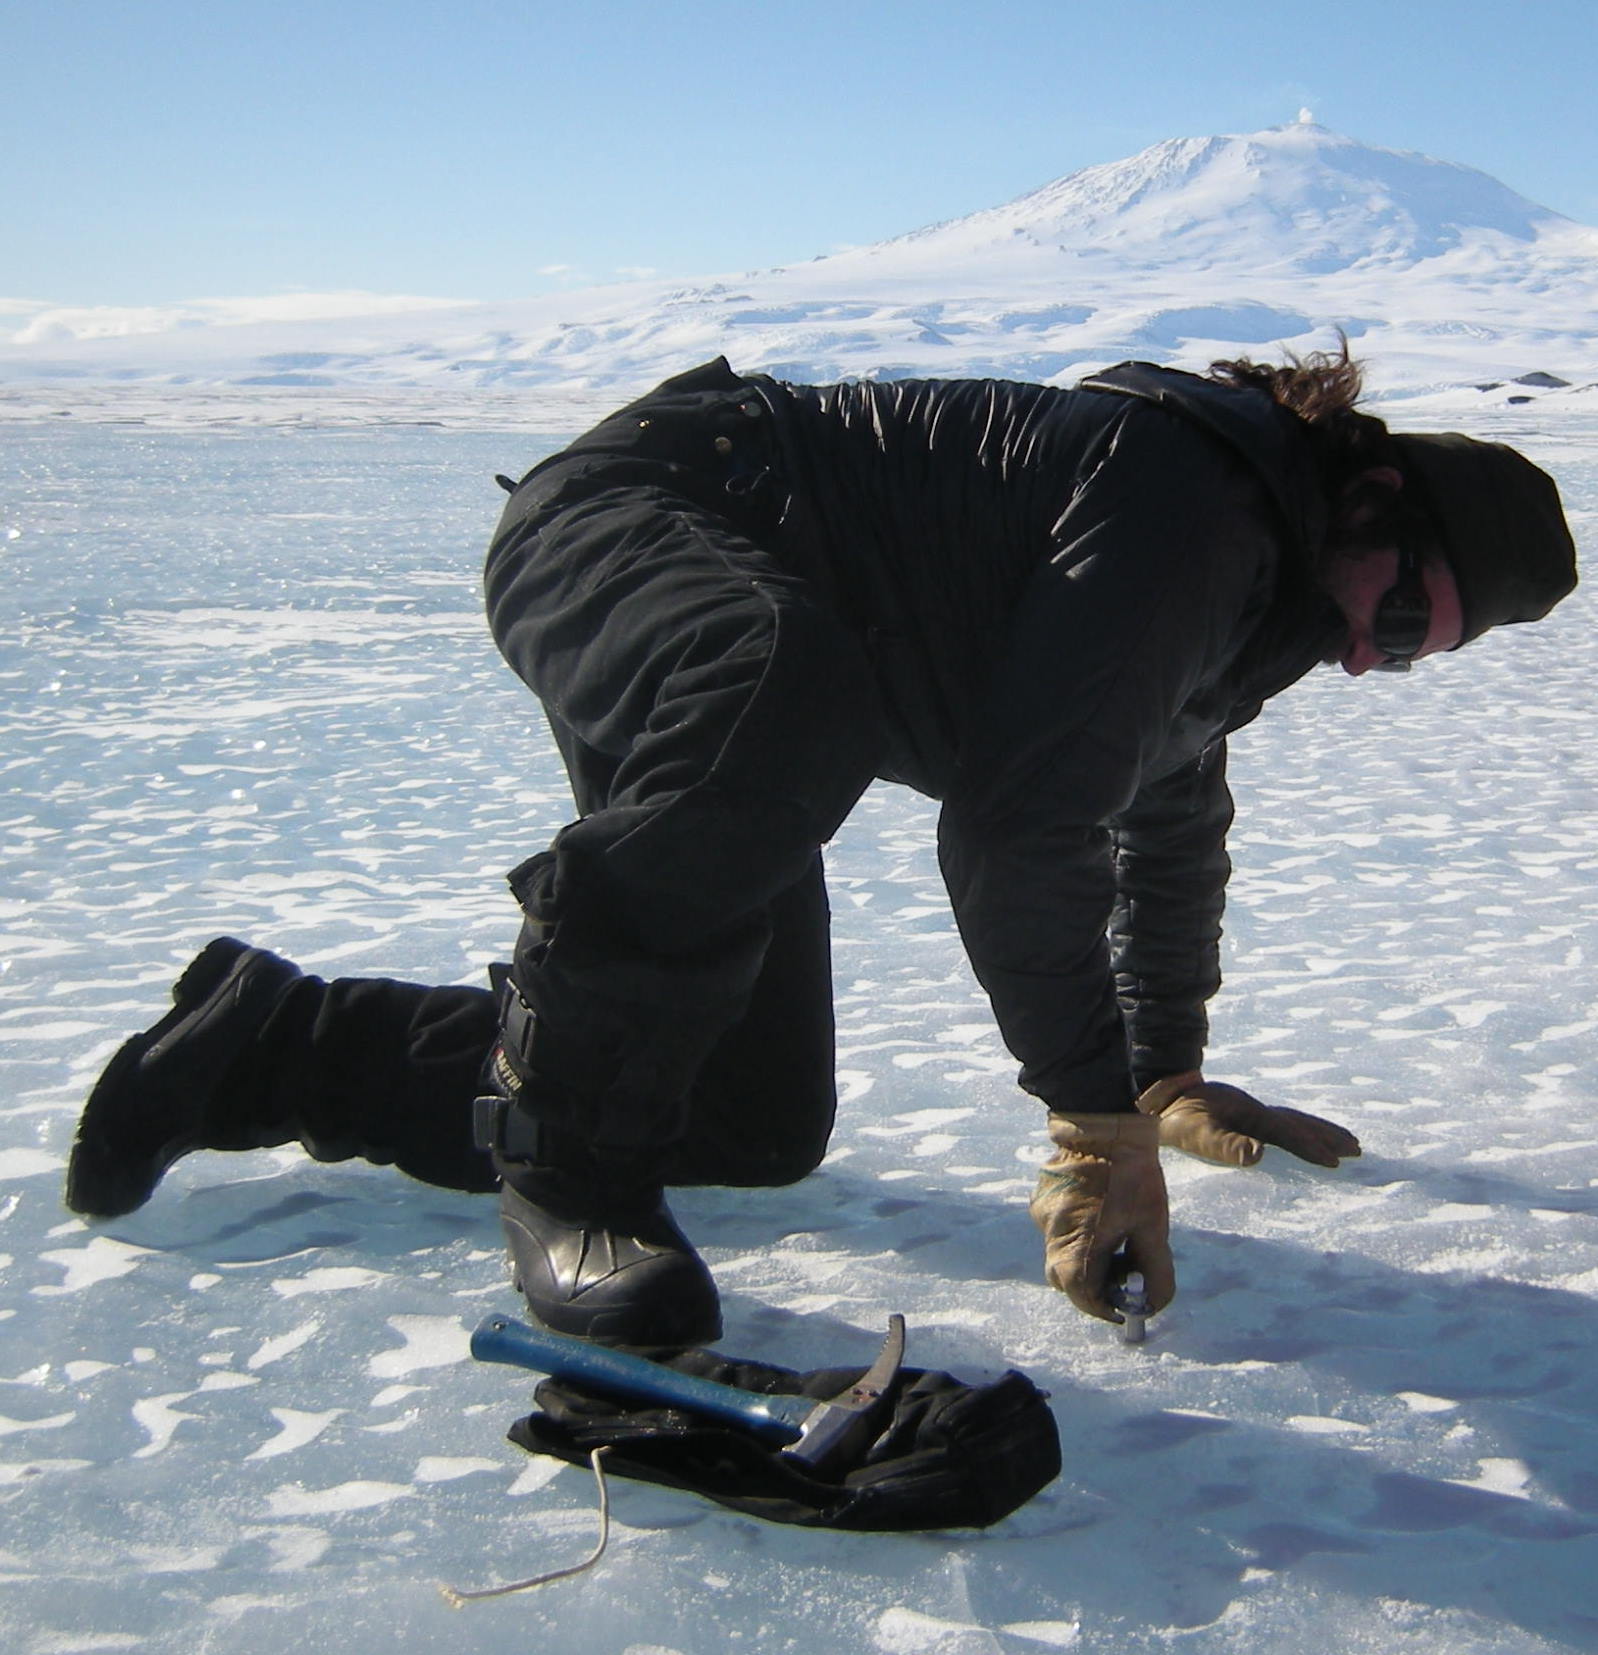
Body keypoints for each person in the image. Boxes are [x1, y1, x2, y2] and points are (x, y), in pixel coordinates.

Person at [65, 348, 1577, 1350]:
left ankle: (268, 1047)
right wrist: (1086, 1126)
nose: (1372, 659)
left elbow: (1164, 816)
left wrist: (1160, 1069)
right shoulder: (1191, 510)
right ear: (1368, 494)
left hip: (759, 647)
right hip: (640, 515)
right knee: (791, 690)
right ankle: (570, 1176)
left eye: (1410, 655)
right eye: (1392, 613)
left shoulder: (1253, 613)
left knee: (748, 1116)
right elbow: (1016, 831)